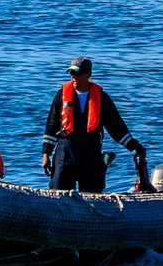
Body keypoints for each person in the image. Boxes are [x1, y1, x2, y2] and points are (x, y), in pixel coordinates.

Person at [42, 57, 146, 193]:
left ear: (88, 75)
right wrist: (46, 154)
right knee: (58, 192)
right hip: (65, 152)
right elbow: (51, 125)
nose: (73, 77)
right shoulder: (61, 95)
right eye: (71, 73)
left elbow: (116, 128)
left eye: (77, 73)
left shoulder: (102, 98)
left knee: (92, 193)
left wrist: (135, 147)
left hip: (90, 153)